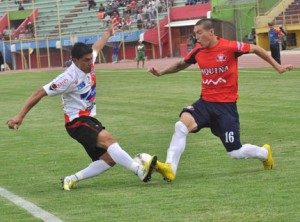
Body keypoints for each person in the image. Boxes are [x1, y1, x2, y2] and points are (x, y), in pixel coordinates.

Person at [7, 23, 157, 190]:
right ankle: (139, 170)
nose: (90, 63)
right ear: (75, 61)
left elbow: (96, 47)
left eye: (91, 59)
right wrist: (20, 116)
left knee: (109, 159)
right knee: (109, 140)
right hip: (76, 122)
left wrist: (108, 34)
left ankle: (71, 179)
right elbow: (39, 92)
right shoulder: (67, 78)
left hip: (87, 119)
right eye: (86, 61)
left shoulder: (88, 60)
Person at [148, 19, 294, 182]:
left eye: (199, 33)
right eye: (195, 33)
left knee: (235, 152)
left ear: (211, 32)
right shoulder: (198, 51)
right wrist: (161, 73)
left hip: (226, 108)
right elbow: (182, 63)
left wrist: (278, 66)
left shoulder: (230, 47)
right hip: (205, 104)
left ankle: (264, 153)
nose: (196, 37)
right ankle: (170, 168)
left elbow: (256, 48)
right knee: (181, 125)